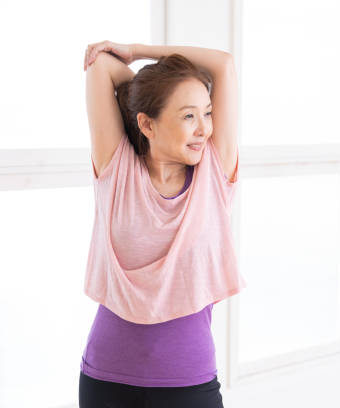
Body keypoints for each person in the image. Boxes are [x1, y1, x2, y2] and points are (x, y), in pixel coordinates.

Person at [78, 41, 246, 408]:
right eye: (188, 116)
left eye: (208, 113)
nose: (204, 129)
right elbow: (101, 67)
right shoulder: (116, 168)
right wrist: (148, 89)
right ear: (146, 124)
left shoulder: (215, 174)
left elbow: (225, 64)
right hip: (107, 378)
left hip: (189, 383)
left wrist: (139, 52)